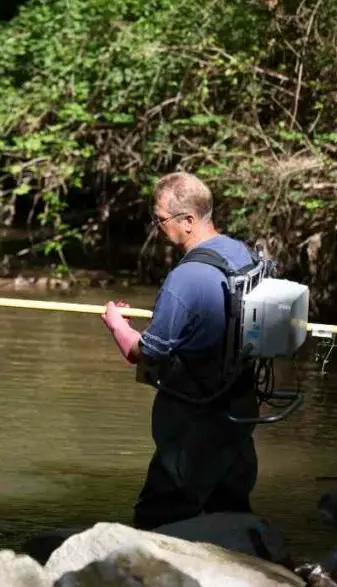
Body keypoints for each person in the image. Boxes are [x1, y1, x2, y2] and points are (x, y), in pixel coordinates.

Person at [101, 171, 261, 530]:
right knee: (230, 516)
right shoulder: (243, 255)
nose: (157, 227)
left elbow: (144, 353)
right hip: (239, 409)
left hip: (195, 420)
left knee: (156, 517)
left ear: (188, 221)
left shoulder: (186, 277)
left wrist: (115, 322)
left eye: (160, 219)